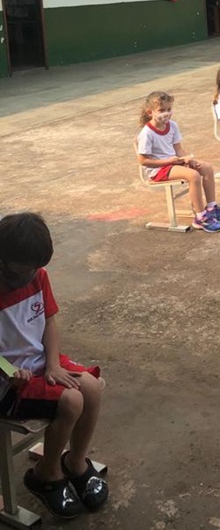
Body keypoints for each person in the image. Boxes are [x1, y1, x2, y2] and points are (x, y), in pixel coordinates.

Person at [0, 212, 108, 519]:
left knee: (91, 387)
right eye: (21, 269)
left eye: (34, 268)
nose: (29, 275)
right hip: (8, 380)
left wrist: (52, 364)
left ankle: (75, 462)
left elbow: (49, 320)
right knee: (71, 401)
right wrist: (9, 371)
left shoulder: (38, 276)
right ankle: (46, 474)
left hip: (39, 362)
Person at [136, 90, 220, 232]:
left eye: (169, 109)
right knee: (193, 176)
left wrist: (188, 160)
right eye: (161, 110)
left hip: (174, 163)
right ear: (150, 112)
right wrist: (169, 161)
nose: (166, 113)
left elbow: (178, 149)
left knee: (206, 167)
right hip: (158, 170)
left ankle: (211, 208)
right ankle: (200, 217)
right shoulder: (147, 132)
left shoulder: (172, 125)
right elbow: (143, 161)